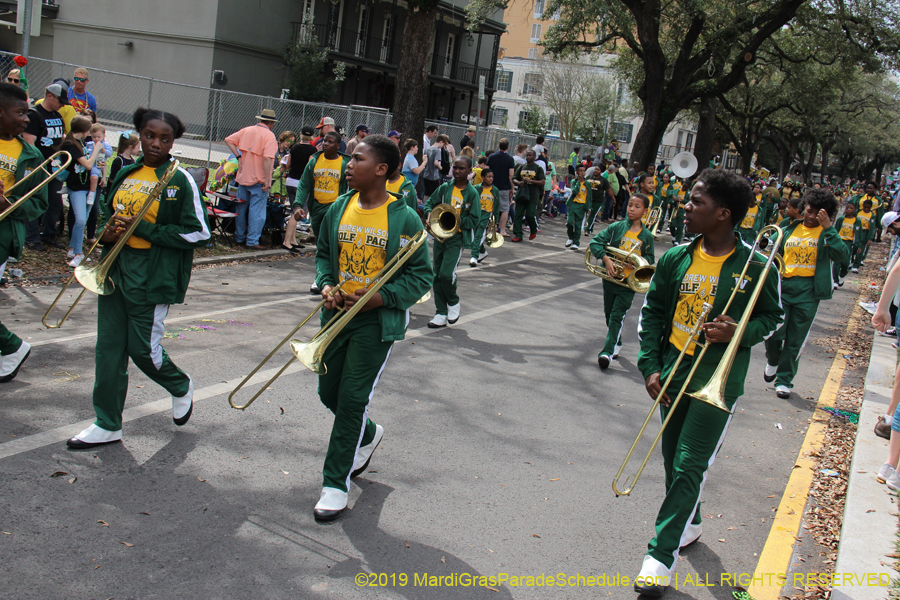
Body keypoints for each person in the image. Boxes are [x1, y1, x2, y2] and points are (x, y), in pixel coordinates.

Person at [634, 169, 783, 597]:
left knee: (688, 465)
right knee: (673, 464)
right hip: (673, 372)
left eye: (696, 201)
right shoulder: (675, 258)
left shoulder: (757, 266)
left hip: (716, 380)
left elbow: (773, 318)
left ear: (723, 213)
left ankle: (659, 558)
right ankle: (691, 520)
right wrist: (650, 366)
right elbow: (652, 314)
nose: (686, 206)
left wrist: (739, 332)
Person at [66, 107, 211, 449]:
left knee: (143, 349)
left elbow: (200, 233)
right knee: (108, 347)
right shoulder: (126, 171)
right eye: (149, 135)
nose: (156, 143)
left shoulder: (179, 178)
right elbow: (109, 212)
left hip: (152, 272)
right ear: (139, 136)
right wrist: (106, 234)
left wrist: (142, 229)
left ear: (173, 142)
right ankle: (107, 423)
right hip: (115, 266)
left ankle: (179, 385)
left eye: (165, 139)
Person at [308, 134, 431, 520]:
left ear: (381, 169)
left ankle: (334, 484)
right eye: (350, 158)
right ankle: (369, 433)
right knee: (328, 392)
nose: (348, 164)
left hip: (375, 322)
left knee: (351, 400)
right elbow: (324, 255)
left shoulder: (405, 218)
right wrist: (326, 284)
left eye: (357, 159)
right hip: (335, 316)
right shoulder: (338, 207)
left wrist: (381, 297)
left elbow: (421, 276)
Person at [763, 188, 846, 399]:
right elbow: (766, 250)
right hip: (783, 287)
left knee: (795, 339)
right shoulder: (787, 229)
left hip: (809, 292)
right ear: (803, 208)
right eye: (809, 210)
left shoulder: (827, 233)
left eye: (819, 213)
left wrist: (829, 228)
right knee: (774, 332)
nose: (812, 216)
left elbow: (841, 255)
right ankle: (773, 359)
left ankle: (784, 380)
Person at [0, 83, 49, 383]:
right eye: (19, 113)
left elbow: (39, 203)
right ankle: (12, 347)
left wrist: (9, 204)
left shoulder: (30, 155)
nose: (26, 119)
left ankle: (12, 347)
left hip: (2, 233)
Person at [591, 192, 655, 368]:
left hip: (628, 283)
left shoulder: (647, 236)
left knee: (616, 316)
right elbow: (595, 243)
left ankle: (607, 352)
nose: (631, 209)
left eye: (637, 207)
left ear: (645, 211)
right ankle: (616, 342)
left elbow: (650, 259)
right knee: (609, 314)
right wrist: (606, 259)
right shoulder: (616, 227)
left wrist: (637, 263)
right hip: (611, 279)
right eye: (630, 205)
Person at [423, 156, 480, 328]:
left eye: (461, 168)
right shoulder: (445, 187)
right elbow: (429, 204)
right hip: (440, 236)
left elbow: (475, 219)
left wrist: (456, 220)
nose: (457, 171)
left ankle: (453, 302)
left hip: (456, 238)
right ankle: (440, 312)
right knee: (436, 275)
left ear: (469, 171)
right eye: (455, 167)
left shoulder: (472, 193)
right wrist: (429, 215)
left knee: (446, 275)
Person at [293, 129, 350, 291]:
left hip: (334, 209)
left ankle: (334, 277)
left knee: (333, 243)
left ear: (338, 146)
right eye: (325, 140)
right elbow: (304, 184)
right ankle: (321, 277)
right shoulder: (314, 161)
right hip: (317, 208)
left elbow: (353, 186)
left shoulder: (344, 164)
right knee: (321, 244)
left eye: (331, 142)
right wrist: (298, 205)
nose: (326, 144)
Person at [224, 108, 279, 250]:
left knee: (241, 208)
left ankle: (239, 237)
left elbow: (228, 140)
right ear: (271, 123)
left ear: (260, 119)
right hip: (259, 179)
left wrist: (238, 156)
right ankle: (252, 240)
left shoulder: (246, 130)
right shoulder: (269, 136)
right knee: (257, 211)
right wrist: (267, 180)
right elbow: (267, 159)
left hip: (243, 177)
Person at [22, 83, 67, 251]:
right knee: (35, 201)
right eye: (60, 101)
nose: (62, 105)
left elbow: (60, 139)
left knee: (55, 203)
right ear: (50, 96)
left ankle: (48, 234)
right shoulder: (34, 115)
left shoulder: (57, 115)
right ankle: (31, 238)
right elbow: (29, 143)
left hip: (55, 167)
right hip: (40, 167)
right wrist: (37, 166)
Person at [60, 116, 104, 267]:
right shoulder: (70, 144)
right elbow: (87, 164)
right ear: (84, 130)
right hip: (77, 188)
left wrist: (100, 159)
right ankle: (78, 254)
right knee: (80, 220)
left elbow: (93, 163)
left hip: (87, 186)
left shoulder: (81, 143)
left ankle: (72, 249)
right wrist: (96, 150)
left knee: (83, 220)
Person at [282, 126, 316, 253]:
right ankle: (286, 242)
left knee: (294, 209)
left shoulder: (294, 147)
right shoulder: (312, 150)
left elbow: (288, 164)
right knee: (296, 212)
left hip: (290, 180)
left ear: (300, 134)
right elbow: (310, 167)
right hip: (301, 183)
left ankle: (293, 240)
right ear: (312, 136)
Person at [470, 168, 499, 266]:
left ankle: (474, 256)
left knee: (479, 235)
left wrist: (495, 221)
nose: (491, 179)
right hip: (476, 215)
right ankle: (482, 252)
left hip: (486, 216)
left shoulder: (495, 190)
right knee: (473, 237)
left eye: (492, 177)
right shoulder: (476, 188)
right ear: (482, 177)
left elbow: (497, 206)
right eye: (488, 177)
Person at [486, 138, 515, 237]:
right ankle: (501, 230)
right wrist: (512, 188)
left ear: (498, 145)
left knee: (491, 207)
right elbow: (511, 175)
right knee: (504, 209)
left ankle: (489, 229)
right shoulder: (510, 159)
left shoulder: (491, 157)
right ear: (508, 147)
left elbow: (486, 170)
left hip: (491, 186)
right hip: (504, 187)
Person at [833, 201, 861, 287]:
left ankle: (842, 275)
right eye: (847, 208)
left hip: (849, 243)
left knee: (845, 262)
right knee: (837, 261)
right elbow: (835, 230)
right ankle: (835, 280)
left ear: (855, 210)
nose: (849, 209)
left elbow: (858, 233)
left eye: (851, 208)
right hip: (840, 241)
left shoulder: (857, 221)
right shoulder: (841, 219)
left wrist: (858, 245)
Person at [566, 164, 590, 250]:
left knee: (578, 225)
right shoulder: (574, 182)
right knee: (569, 222)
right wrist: (579, 182)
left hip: (582, 206)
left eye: (584, 171)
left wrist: (588, 207)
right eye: (580, 171)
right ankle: (570, 237)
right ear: (576, 172)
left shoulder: (587, 184)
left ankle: (576, 243)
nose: (582, 173)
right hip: (573, 204)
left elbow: (589, 196)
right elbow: (575, 191)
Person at [852, 198, 875, 272]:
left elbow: (872, 228)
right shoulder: (858, 212)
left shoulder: (872, 215)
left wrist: (870, 238)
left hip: (864, 232)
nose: (866, 209)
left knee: (860, 249)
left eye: (868, 208)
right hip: (856, 232)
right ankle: (851, 261)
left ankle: (856, 265)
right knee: (853, 247)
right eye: (865, 207)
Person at [422, 134, 447, 202]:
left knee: (426, 194)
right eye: (443, 145)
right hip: (434, 177)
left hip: (426, 175)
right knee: (434, 195)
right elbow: (436, 163)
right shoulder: (437, 151)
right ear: (441, 142)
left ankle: (425, 206)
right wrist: (440, 167)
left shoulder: (427, 149)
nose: (442, 147)